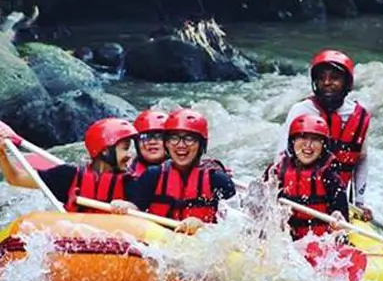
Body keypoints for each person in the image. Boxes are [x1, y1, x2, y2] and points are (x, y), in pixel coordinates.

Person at [276, 49, 374, 221]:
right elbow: (281, 157)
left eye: (334, 78)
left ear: (347, 83)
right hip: (296, 198)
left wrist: (359, 203)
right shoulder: (301, 110)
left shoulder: (359, 117)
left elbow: (362, 159)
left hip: (337, 201)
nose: (327, 82)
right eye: (321, 78)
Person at [128, 108, 237, 234]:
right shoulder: (153, 176)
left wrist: (203, 226)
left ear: (201, 144)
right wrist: (124, 207)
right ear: (166, 144)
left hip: (201, 240)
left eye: (189, 138)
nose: (181, 145)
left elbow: (235, 226)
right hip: (160, 239)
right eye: (174, 138)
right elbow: (135, 209)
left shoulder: (217, 180)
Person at [0, 118, 138, 213]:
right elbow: (15, 178)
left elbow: (143, 206)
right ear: (105, 151)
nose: (130, 155)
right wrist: (2, 153)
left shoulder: (133, 182)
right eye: (125, 148)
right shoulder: (67, 176)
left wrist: (130, 206)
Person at [264, 114, 350, 240]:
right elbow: (259, 204)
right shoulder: (277, 171)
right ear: (292, 141)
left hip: (319, 241)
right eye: (303, 137)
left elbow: (343, 217)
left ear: (323, 145)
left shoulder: (330, 176)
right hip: (285, 239)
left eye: (315, 139)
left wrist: (338, 218)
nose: (308, 145)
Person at [130, 109, 169, 176]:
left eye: (159, 136)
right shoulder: (127, 175)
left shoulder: (185, 171)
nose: (152, 142)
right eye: (144, 136)